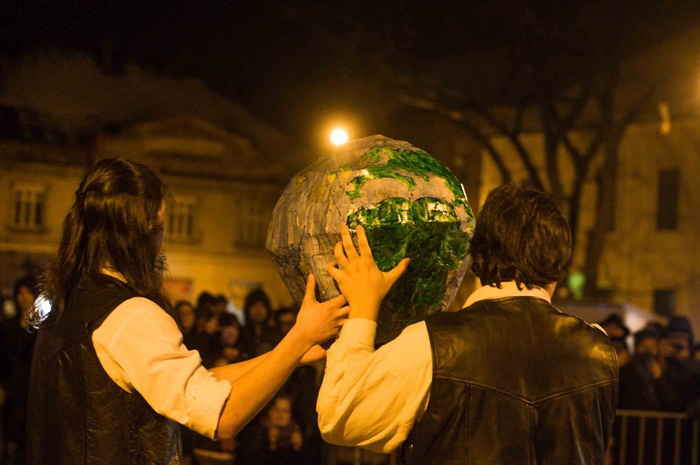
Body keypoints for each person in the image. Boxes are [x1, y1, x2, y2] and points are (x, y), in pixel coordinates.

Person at [26, 157, 348, 465]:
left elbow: (195, 383)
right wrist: (300, 337)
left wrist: (290, 353)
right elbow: (220, 416)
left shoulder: (72, 302)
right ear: (142, 231)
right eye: (160, 225)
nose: (161, 241)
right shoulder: (130, 314)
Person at [318, 184, 618, 464]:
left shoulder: (433, 343)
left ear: (478, 255)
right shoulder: (598, 349)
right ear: (558, 264)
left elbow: (340, 418)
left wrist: (363, 308)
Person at [0, 276, 38, 465]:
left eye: (28, 292)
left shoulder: (43, 329)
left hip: (34, 390)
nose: (24, 297)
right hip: (14, 391)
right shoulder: (7, 327)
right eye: (20, 293)